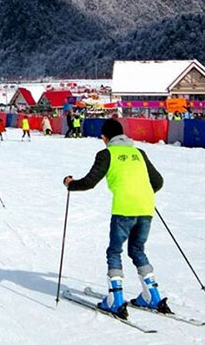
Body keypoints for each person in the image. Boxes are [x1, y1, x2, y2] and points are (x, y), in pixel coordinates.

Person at [63, 119, 165, 319]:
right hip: (145, 207)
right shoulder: (139, 153)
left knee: (114, 251)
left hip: (124, 209)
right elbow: (158, 182)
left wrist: (70, 184)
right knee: (137, 250)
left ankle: (116, 300)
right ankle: (152, 295)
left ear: (105, 137)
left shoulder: (106, 154)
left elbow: (90, 182)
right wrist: (142, 193)